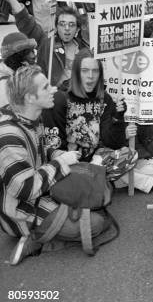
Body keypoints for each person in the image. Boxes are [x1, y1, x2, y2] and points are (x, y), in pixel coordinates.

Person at [0, 65, 105, 265]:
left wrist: (59, 155)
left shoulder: (30, 118)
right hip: (22, 213)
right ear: (30, 98)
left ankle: (47, 237)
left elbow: (40, 153)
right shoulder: (8, 135)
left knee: (95, 201)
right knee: (96, 224)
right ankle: (36, 240)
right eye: (46, 87)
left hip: (42, 194)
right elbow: (26, 188)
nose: (54, 90)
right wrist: (61, 162)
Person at [41, 49, 133, 162]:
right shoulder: (59, 100)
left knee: (130, 155)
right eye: (85, 70)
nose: (91, 76)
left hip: (96, 163)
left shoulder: (105, 99)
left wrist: (118, 117)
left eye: (95, 71)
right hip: (66, 165)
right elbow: (53, 146)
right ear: (76, 73)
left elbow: (114, 143)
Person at [0, 0, 88, 88]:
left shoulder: (85, 49)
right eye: (62, 24)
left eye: (71, 25)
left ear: (77, 29)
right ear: (56, 27)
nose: (66, 28)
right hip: (54, 98)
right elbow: (26, 21)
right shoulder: (47, 43)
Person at [0, 32, 37, 107]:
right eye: (26, 52)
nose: (33, 56)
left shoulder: (20, 75)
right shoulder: (4, 86)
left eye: (32, 50)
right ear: (14, 57)